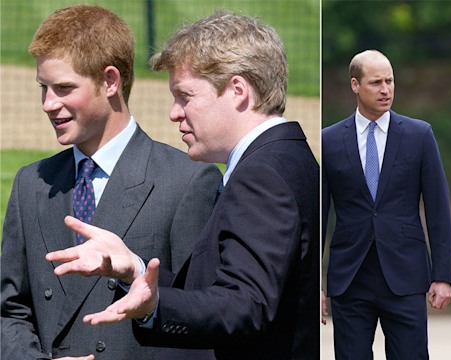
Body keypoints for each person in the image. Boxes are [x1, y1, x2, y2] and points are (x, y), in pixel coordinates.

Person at [45, 11, 319, 360]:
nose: (174, 113)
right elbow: (220, 289)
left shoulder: (263, 174)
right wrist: (136, 269)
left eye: (185, 96)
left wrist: (156, 303)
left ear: (237, 90)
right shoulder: (288, 157)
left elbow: (244, 305)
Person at [0, 5, 221, 360]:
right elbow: (11, 312)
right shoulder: (32, 184)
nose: (48, 103)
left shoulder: (188, 182)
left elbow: (202, 322)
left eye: (64, 88)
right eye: (44, 88)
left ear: (110, 81)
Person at [321, 49, 451, 359]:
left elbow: (438, 208)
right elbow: (317, 213)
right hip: (350, 278)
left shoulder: (419, 135)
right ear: (355, 85)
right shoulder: (329, 140)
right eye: (376, 82)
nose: (385, 90)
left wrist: (443, 275)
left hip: (405, 275)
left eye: (390, 81)